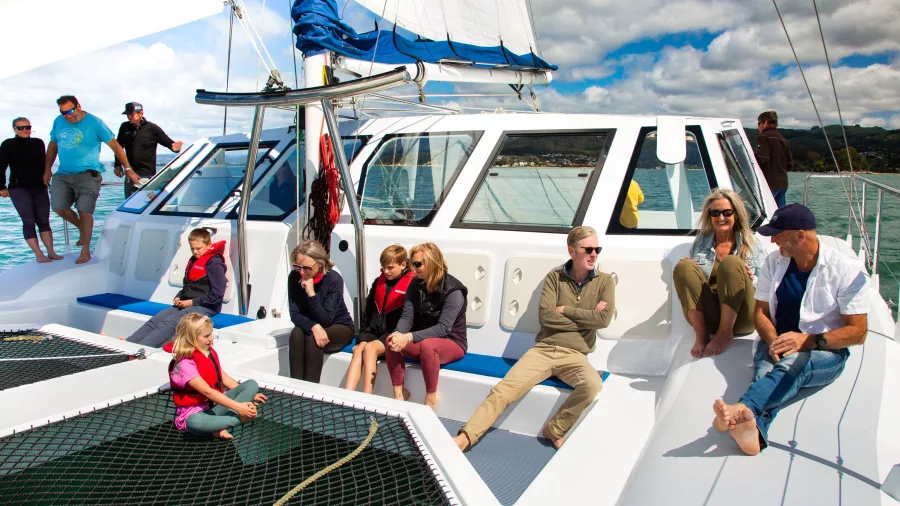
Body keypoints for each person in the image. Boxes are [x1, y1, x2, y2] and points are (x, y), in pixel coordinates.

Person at [713, 204, 868, 455]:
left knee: (792, 365)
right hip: (777, 339)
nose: (772, 241)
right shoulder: (775, 262)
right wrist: (775, 340)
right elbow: (760, 313)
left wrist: (806, 341)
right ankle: (753, 432)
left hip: (824, 350)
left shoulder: (845, 270)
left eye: (778, 234)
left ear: (800, 235)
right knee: (766, 369)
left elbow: (858, 332)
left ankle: (744, 407)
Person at [453, 226, 614, 451]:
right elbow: (546, 317)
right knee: (503, 391)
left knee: (592, 384)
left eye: (597, 249)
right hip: (544, 350)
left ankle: (555, 429)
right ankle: (466, 437)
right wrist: (588, 319)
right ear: (572, 250)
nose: (594, 254)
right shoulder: (554, 278)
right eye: (588, 249)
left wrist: (566, 309)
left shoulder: (604, 282)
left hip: (576, 355)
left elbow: (604, 320)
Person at [673, 189, 768, 358]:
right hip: (710, 316)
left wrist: (753, 279)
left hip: (742, 316)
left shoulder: (753, 243)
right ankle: (701, 335)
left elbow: (769, 286)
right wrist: (693, 269)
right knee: (684, 266)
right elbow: (695, 285)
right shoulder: (702, 242)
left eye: (727, 212)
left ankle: (725, 333)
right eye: (715, 212)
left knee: (731, 263)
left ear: (736, 214)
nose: (721, 217)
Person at [45, 95, 134, 264]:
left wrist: (128, 169)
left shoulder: (95, 123)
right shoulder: (58, 121)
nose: (67, 115)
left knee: (84, 210)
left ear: (78, 106)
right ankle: (82, 228)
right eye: (63, 112)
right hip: (63, 174)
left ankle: (85, 250)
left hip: (88, 174)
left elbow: (115, 146)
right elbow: (53, 145)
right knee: (58, 207)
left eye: (70, 111)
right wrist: (47, 169)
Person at [385, 242, 467, 410]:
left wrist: (408, 337)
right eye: (411, 264)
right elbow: (407, 316)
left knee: (429, 346)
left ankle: (430, 398)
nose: (413, 269)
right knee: (391, 340)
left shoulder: (453, 290)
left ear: (431, 262)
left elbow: (444, 328)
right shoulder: (415, 285)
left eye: (417, 264)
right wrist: (399, 333)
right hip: (423, 340)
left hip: (451, 342)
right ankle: (399, 395)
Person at [166, 313, 267, 439]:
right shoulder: (184, 365)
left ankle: (216, 427)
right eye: (206, 336)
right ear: (191, 338)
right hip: (198, 413)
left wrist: (251, 395)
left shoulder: (208, 353)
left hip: (216, 406)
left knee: (251, 385)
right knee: (193, 423)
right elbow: (208, 392)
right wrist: (239, 407)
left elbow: (224, 379)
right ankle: (238, 419)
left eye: (211, 334)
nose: (210, 339)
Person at [127, 228, 227, 347]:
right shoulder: (195, 260)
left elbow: (217, 294)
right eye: (192, 249)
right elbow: (189, 287)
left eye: (198, 248)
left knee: (169, 322)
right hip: (188, 303)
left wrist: (191, 302)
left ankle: (139, 350)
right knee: (156, 320)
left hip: (206, 307)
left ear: (208, 245)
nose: (195, 252)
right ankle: (129, 344)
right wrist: (179, 297)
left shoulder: (214, 264)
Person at [344, 245, 416, 394]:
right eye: (383, 268)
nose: (386, 271)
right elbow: (367, 313)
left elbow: (411, 318)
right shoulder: (379, 282)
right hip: (374, 332)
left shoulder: (412, 285)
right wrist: (362, 337)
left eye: (390, 267)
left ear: (403, 264)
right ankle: (346, 395)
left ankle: (367, 397)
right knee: (359, 350)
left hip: (394, 334)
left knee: (369, 348)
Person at [288, 239, 355, 383]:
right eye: (297, 266)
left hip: (339, 326)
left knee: (313, 338)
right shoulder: (294, 277)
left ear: (320, 264)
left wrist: (311, 293)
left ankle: (311, 392)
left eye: (306, 268)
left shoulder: (333, 279)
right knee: (296, 333)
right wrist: (313, 326)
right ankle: (294, 388)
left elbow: (326, 319)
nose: (302, 272)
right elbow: (294, 314)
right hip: (313, 325)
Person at [0, 117, 62, 263]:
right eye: (20, 128)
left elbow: (44, 163)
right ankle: (39, 254)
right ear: (14, 129)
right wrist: (1, 187)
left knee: (44, 220)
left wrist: (47, 176)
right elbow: (1, 166)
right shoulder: (8, 144)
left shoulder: (38, 143)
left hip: (39, 187)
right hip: (18, 188)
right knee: (29, 221)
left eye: (27, 127)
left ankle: (51, 252)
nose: (24, 130)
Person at [114, 102, 183, 198]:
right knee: (130, 205)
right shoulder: (124, 127)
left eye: (131, 114)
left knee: (145, 204)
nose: (129, 117)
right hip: (130, 174)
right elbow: (118, 147)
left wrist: (174, 148)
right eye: (127, 115)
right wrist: (117, 164)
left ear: (141, 113)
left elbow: (168, 143)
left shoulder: (152, 128)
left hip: (147, 175)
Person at [755, 111, 794, 208]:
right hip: (783, 184)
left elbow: (763, 158)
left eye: (759, 123)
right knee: (779, 216)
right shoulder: (784, 139)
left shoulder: (763, 136)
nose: (758, 127)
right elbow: (790, 165)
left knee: (763, 212)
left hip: (770, 184)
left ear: (766, 123)